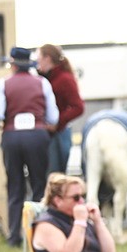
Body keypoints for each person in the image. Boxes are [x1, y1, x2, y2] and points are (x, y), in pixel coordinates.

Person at [0, 46, 59, 247]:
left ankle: (14, 236)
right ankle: (38, 232)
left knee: (15, 186)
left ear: (13, 65)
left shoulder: (3, 84)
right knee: (38, 185)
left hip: (12, 137)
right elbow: (53, 116)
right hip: (37, 136)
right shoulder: (42, 83)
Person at [37, 44, 85, 177]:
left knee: (55, 176)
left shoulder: (64, 79)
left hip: (58, 135)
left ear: (47, 58)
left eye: (39, 58)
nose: (37, 62)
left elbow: (78, 107)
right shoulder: (47, 78)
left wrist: (58, 123)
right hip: (48, 134)